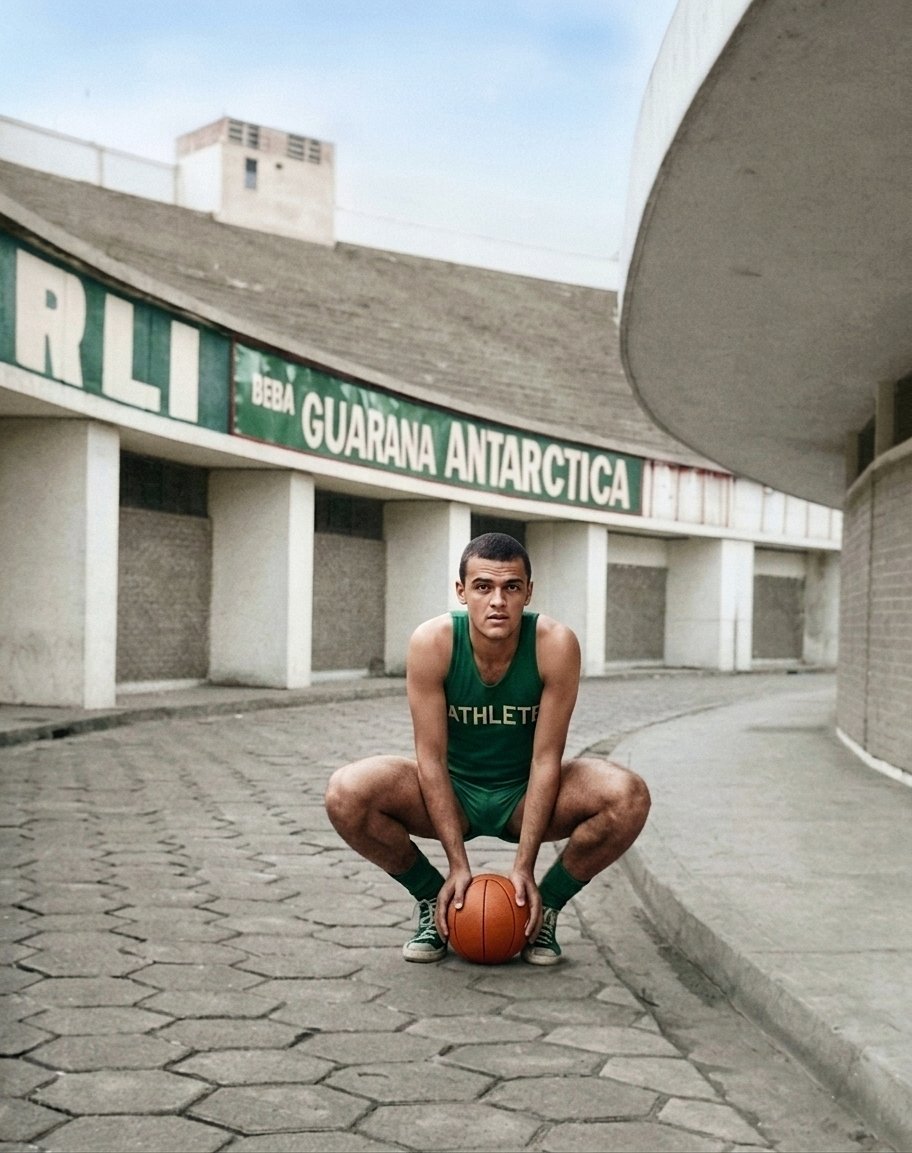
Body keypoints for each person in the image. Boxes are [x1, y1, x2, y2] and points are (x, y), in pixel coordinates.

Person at [324, 531, 650, 965]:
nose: (497, 600)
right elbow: (431, 760)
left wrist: (524, 869)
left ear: (528, 592)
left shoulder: (554, 645)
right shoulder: (433, 643)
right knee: (346, 792)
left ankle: (543, 910)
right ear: (462, 592)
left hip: (524, 794)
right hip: (452, 792)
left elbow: (545, 759)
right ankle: (432, 901)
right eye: (483, 587)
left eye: (511, 587)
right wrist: (457, 865)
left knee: (628, 797)